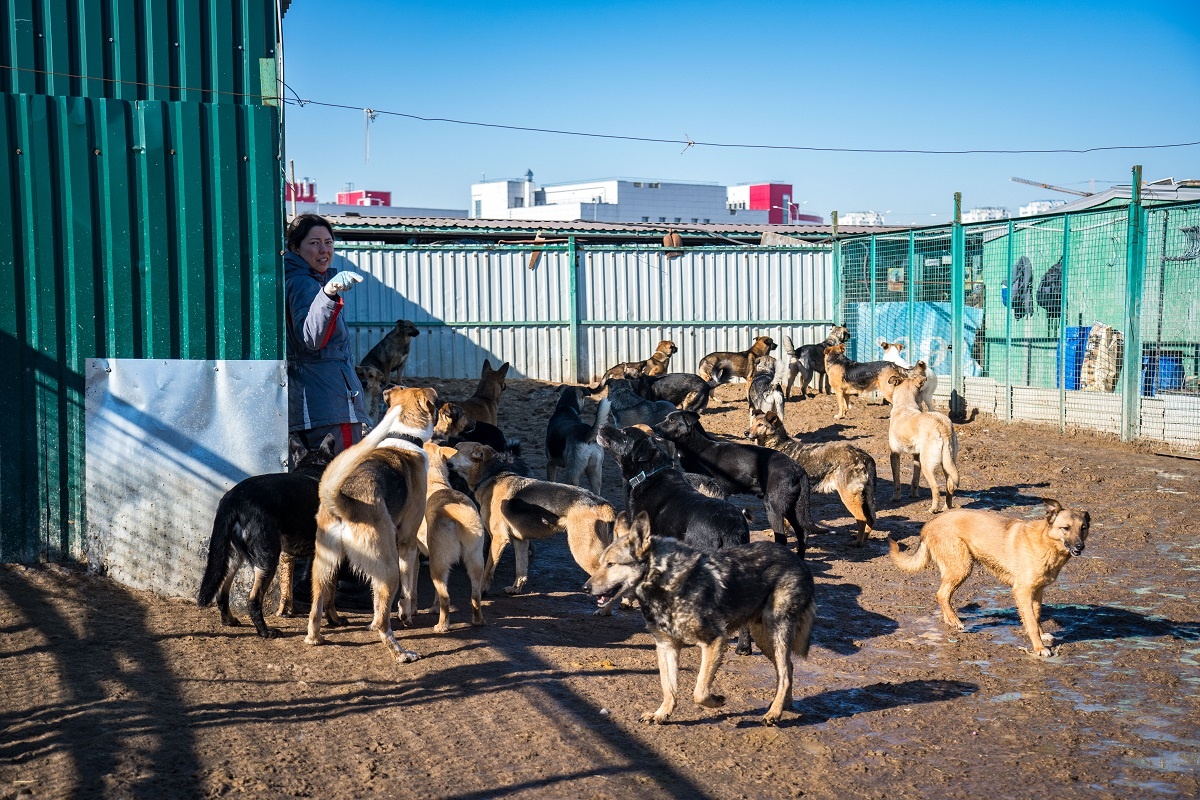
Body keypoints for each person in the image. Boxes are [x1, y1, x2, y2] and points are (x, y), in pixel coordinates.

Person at [284, 213, 369, 454]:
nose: (324, 250)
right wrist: (328, 294)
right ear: (295, 248)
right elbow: (312, 338)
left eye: (328, 242)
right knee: (342, 482)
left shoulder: (310, 280)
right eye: (314, 243)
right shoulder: (303, 283)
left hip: (318, 404)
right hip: (327, 404)